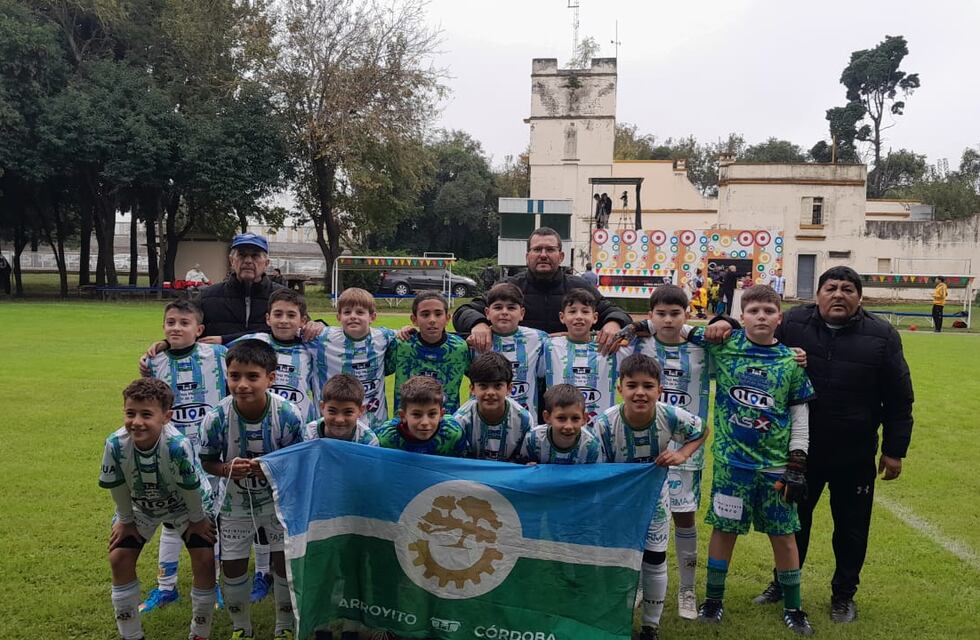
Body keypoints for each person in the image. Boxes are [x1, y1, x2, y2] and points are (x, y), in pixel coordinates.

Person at [739, 266, 914, 624]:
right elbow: (754, 337)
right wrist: (720, 324)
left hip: (855, 452)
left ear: (859, 297)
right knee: (792, 523)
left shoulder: (882, 335)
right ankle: (783, 583)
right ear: (817, 295)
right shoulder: (793, 323)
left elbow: (900, 397)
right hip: (802, 453)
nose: (838, 295)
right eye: (831, 288)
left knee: (851, 528)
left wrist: (895, 450)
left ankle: (844, 595)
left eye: (847, 289)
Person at [670, 285, 815, 635]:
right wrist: (632, 326)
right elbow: (675, 325)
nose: (761, 316)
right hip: (732, 465)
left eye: (769, 310)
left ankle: (793, 607)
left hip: (775, 467)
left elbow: (800, 416)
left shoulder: (791, 361)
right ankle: (713, 601)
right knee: (724, 530)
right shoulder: (726, 344)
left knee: (784, 535)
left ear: (779, 318)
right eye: (754, 311)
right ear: (742, 316)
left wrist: (797, 463)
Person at [594, 353, 707, 640]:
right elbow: (594, 465)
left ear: (660, 390)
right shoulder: (605, 424)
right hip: (617, 504)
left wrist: (682, 454)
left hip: (655, 501)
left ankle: (650, 627)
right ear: (619, 388)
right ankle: (615, 617)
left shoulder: (670, 415)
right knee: (619, 560)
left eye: (648, 386)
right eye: (632, 385)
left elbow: (701, 429)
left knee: (655, 560)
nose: (640, 393)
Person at [199, 340, 306, 640]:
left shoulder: (288, 414)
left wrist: (270, 468)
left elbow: (298, 460)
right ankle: (241, 628)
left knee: (283, 563)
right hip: (234, 503)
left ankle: (284, 627)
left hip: (277, 502)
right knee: (232, 566)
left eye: (252, 376)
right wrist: (227, 469)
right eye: (234, 376)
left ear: (270, 378)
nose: (242, 384)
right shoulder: (216, 418)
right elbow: (207, 462)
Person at [101, 378, 217, 640]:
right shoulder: (115, 444)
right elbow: (117, 485)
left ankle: (199, 633)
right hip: (140, 507)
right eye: (130, 413)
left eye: (146, 414)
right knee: (119, 558)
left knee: (204, 559)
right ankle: (131, 635)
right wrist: (125, 520)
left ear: (166, 417)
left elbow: (190, 489)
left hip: (187, 506)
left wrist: (198, 520)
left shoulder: (176, 446)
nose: (136, 422)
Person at [141, 299, 227, 613]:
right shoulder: (155, 362)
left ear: (199, 329)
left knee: (209, 520)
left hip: (209, 452)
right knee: (171, 521)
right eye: (171, 322)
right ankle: (166, 587)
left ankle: (213, 585)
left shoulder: (218, 355)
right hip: (171, 455)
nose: (176, 328)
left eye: (184, 323)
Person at [633, 285, 712, 620]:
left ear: (687, 315)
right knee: (643, 519)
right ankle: (641, 584)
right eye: (661, 313)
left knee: (684, 518)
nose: (667, 320)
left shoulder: (703, 349)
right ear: (650, 315)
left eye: (675, 313)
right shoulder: (638, 344)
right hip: (645, 452)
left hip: (686, 452)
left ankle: (687, 589)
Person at [453, 227, 631, 354]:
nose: (543, 255)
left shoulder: (580, 287)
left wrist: (613, 323)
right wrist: (478, 324)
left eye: (550, 250)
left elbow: (617, 313)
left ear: (561, 256)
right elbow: (463, 312)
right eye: (537, 249)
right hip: (520, 378)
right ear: (527, 256)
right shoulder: (509, 287)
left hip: (565, 378)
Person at [308, 287, 396, 429]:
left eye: (360, 312)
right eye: (347, 312)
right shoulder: (322, 338)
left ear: (372, 317)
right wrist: (310, 325)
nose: (353, 316)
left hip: (374, 427)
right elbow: (292, 332)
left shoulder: (384, 337)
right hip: (331, 426)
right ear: (338, 317)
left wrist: (407, 330)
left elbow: (408, 335)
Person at [544, 289, 633, 422]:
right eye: (572, 311)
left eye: (585, 312)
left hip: (601, 427)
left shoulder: (610, 345)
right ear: (562, 317)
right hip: (563, 427)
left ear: (595, 317)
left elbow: (647, 334)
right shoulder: (548, 346)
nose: (579, 316)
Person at [234, 288, 319, 423]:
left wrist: (320, 324)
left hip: (300, 424)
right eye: (278, 314)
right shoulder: (255, 342)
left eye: (291, 315)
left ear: (303, 320)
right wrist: (220, 339)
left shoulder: (312, 348)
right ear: (268, 319)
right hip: (262, 423)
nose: (284, 320)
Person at [386, 291, 471, 414]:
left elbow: (479, 379)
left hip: (445, 422)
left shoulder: (459, 348)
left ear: (447, 318)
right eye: (425, 315)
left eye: (438, 314)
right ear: (414, 319)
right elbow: (377, 371)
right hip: (406, 421)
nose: (432, 320)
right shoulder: (402, 345)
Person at [479, 283, 551, 417]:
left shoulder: (539, 339)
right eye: (498, 307)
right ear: (487, 313)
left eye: (511, 308)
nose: (504, 312)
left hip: (525, 419)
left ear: (522, 313)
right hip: (485, 418)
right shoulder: (478, 340)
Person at [454, 352, 533, 461]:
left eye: (497, 386)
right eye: (483, 386)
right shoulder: (460, 421)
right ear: (472, 389)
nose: (490, 392)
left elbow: (525, 460)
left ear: (509, 388)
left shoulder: (524, 420)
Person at [375, 376, 467, 456]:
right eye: (416, 414)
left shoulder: (453, 434)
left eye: (432, 414)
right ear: (403, 416)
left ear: (441, 414)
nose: (425, 422)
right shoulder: (386, 439)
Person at [519, 384, 603, 464]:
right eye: (561, 418)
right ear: (547, 417)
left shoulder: (591, 446)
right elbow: (523, 469)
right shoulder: (532, 440)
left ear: (584, 418)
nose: (568, 426)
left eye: (575, 418)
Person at [305, 374, 378, 445]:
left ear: (361, 411)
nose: (339, 420)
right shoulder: (309, 434)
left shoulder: (368, 441)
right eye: (332, 411)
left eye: (348, 412)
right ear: (322, 407)